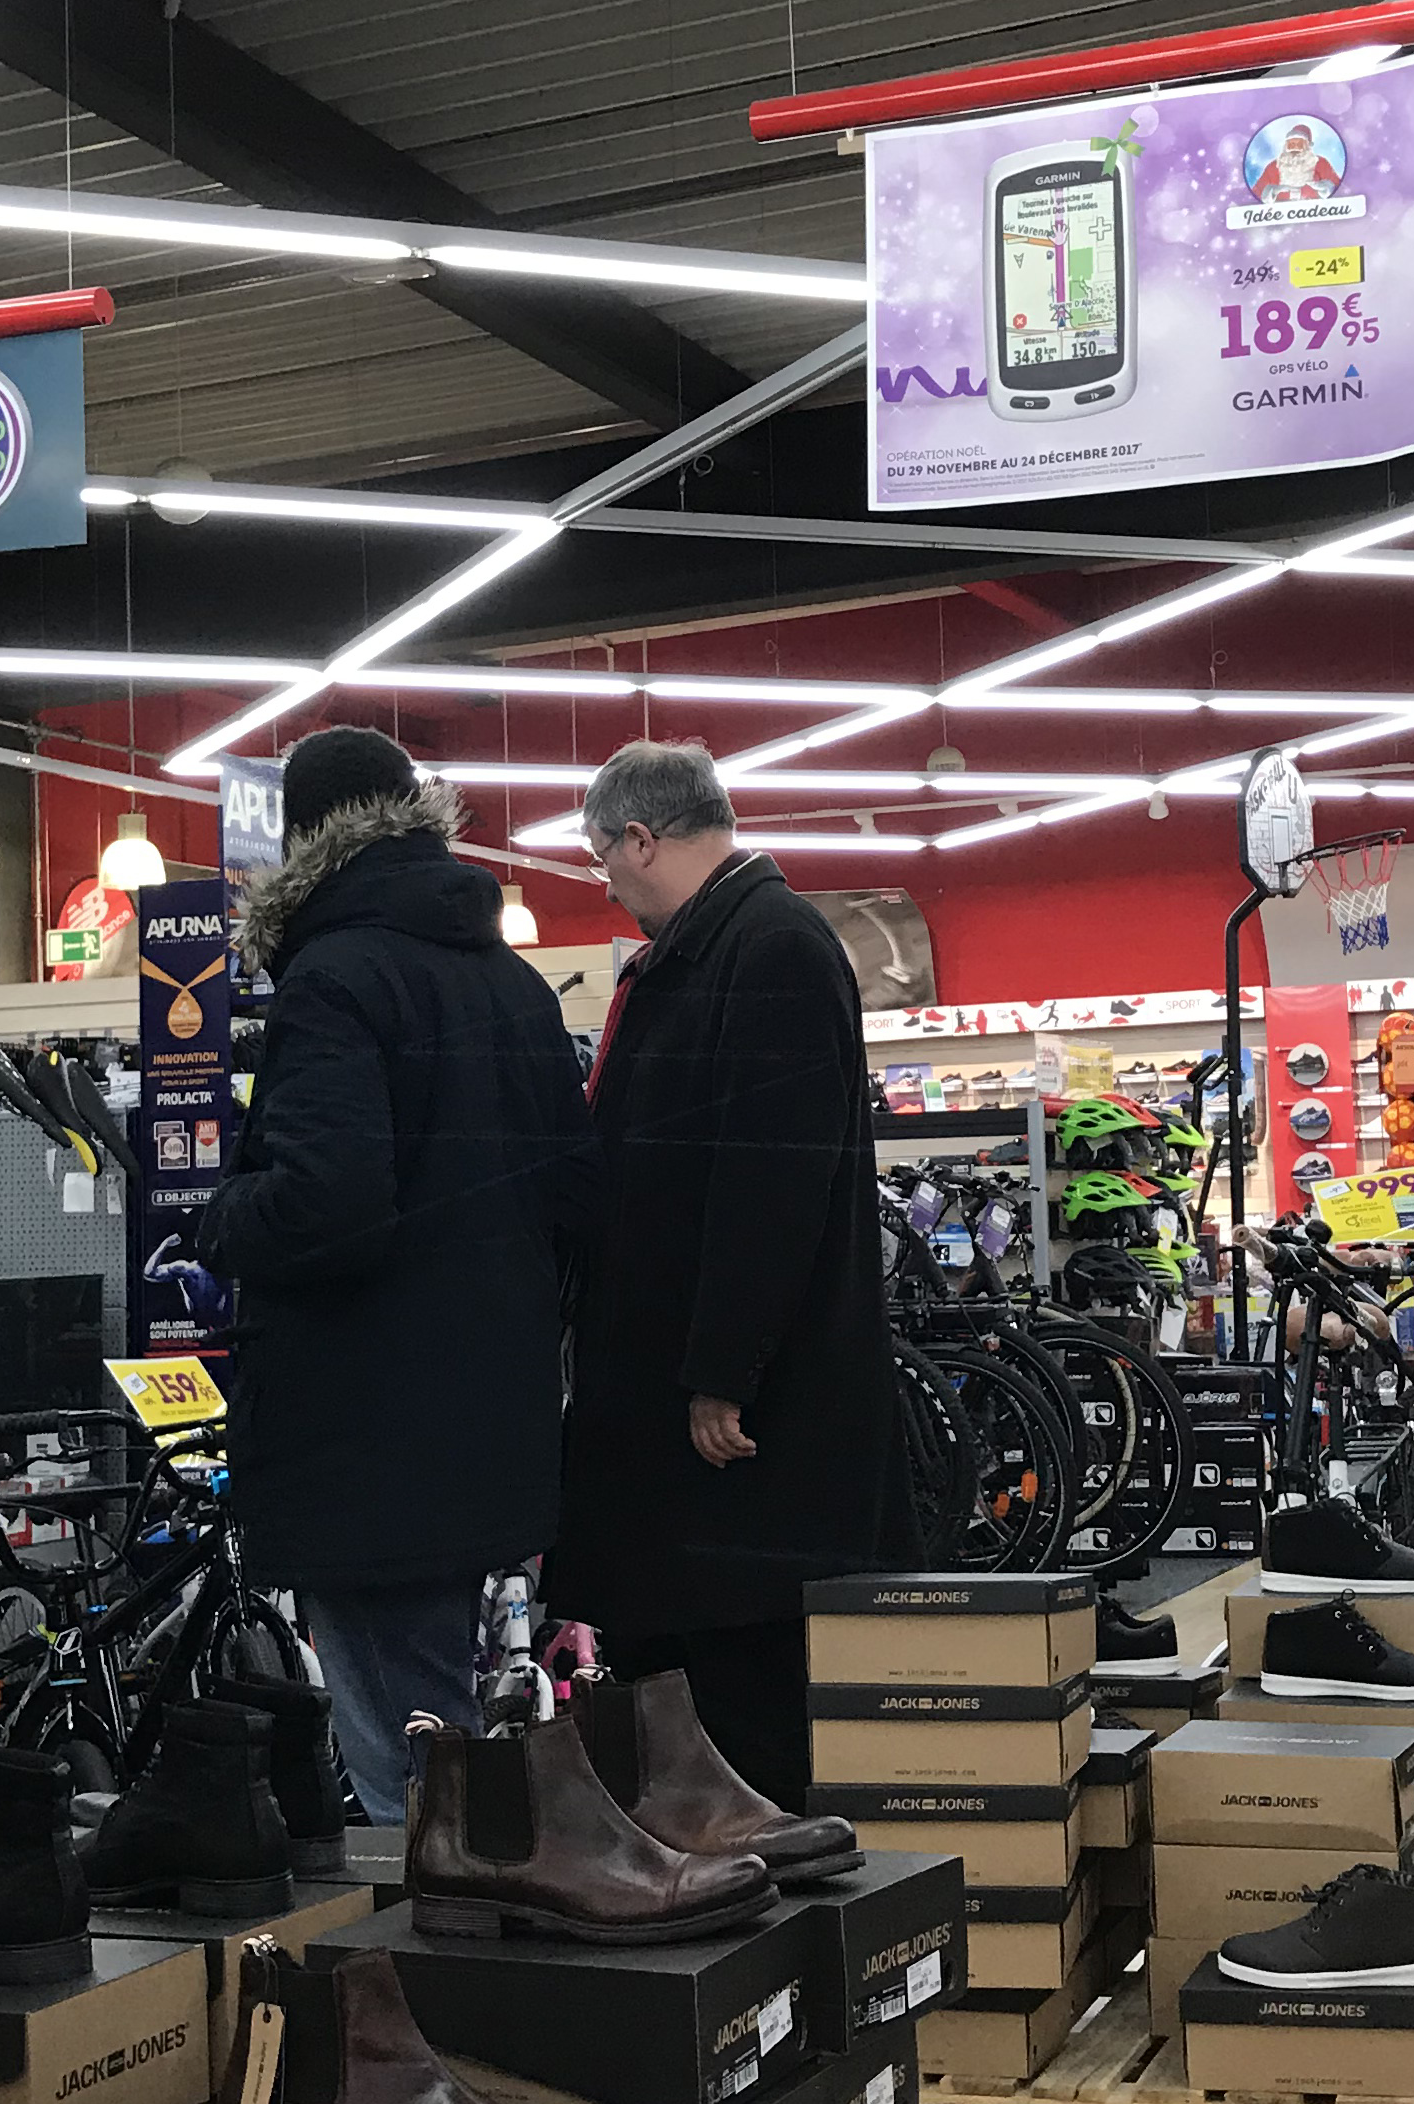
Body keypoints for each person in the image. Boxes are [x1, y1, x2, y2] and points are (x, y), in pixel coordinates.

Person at [196, 728, 595, 1819]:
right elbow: (574, 1199)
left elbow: (329, 1205)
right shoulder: (512, 984)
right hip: (496, 1424)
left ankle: (449, 1926)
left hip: (367, 1440)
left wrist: (224, 1218)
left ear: (300, 841)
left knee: (408, 1772)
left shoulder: (334, 980)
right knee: (463, 1733)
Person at [550, 740, 907, 1809]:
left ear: (640, 839)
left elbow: (771, 1185)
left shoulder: (770, 949)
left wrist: (723, 1370)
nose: (605, 883)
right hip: (683, 1408)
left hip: (740, 1430)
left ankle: (765, 1876)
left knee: (746, 1697)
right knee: (689, 1679)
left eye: (600, 859)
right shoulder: (719, 948)